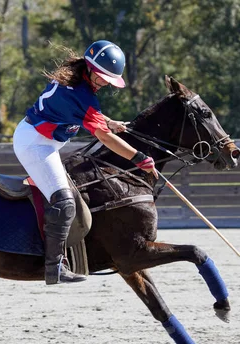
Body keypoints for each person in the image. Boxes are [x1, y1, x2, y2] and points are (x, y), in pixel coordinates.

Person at [13, 40, 158, 285]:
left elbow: (90, 116)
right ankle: (54, 266)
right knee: (65, 201)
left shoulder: (78, 80)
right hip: (34, 144)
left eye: (108, 80)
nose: (104, 83)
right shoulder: (80, 93)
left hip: (42, 141)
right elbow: (104, 138)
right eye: (102, 77)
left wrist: (109, 122)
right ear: (90, 68)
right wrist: (139, 158)